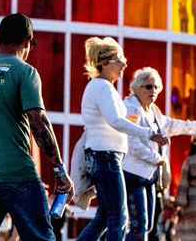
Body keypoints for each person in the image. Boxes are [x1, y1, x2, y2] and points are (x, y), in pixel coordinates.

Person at [0, 13, 74, 241]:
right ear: (27, 42)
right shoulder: (25, 71)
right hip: (17, 176)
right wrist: (60, 171)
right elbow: (39, 122)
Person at [77, 38, 168, 241]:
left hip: (103, 156)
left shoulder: (102, 87)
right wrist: (147, 133)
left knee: (103, 217)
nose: (125, 65)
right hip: (106, 157)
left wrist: (127, 122)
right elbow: (115, 121)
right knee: (119, 216)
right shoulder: (103, 87)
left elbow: (111, 121)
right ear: (105, 62)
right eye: (120, 60)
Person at [121, 67, 196, 241]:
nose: (153, 90)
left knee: (150, 225)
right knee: (140, 224)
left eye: (155, 87)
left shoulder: (154, 111)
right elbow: (131, 143)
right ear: (137, 88)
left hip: (150, 176)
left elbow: (171, 125)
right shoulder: (130, 107)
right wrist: (157, 159)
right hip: (133, 175)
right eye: (148, 87)